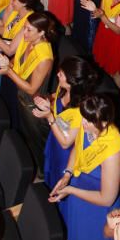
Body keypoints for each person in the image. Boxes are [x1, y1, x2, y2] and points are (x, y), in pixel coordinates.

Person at [49, 93, 120, 240]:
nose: (83, 123)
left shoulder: (113, 152)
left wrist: (71, 190)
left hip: (98, 208)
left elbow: (106, 199)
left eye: (88, 121)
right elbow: (78, 147)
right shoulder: (89, 123)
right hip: (78, 191)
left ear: (104, 123)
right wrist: (67, 174)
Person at [32, 56, 99, 216]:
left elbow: (67, 143)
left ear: (71, 81)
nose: (58, 75)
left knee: (60, 180)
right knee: (50, 174)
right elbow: (57, 103)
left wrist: (49, 117)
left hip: (65, 153)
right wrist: (46, 102)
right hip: (54, 139)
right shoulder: (63, 89)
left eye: (61, 74)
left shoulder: (81, 110)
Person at [0, 12, 55, 174]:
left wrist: (8, 71)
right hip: (21, 98)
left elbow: (32, 89)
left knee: (39, 143)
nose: (24, 32)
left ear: (41, 33)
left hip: (33, 106)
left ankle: (45, 174)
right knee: (28, 139)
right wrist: (7, 67)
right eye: (25, 28)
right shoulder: (29, 41)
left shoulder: (45, 57)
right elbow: (17, 61)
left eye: (28, 30)